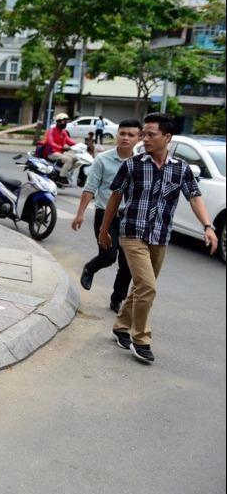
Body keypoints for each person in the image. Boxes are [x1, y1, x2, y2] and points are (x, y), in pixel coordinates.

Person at [99, 113, 218, 364]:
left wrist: (208, 226)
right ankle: (141, 339)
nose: (145, 138)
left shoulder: (181, 169)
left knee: (141, 288)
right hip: (131, 232)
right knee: (148, 287)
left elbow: (195, 197)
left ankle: (121, 326)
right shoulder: (132, 165)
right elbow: (115, 197)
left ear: (167, 137)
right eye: (144, 134)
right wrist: (104, 229)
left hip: (161, 236)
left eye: (151, 134)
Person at [72, 119, 142, 314]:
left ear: (138, 138)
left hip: (130, 218)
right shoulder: (103, 160)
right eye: (123, 133)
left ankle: (117, 298)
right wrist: (79, 215)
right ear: (117, 135)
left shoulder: (140, 163)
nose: (126, 138)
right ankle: (90, 268)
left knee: (127, 263)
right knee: (109, 256)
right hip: (105, 216)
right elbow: (89, 189)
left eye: (131, 135)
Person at [43, 112, 77, 182]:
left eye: (66, 122)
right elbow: (51, 143)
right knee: (68, 160)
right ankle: (61, 177)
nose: (65, 123)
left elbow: (69, 140)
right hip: (51, 152)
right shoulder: (51, 131)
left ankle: (66, 172)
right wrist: (62, 147)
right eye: (64, 121)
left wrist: (78, 145)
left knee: (76, 158)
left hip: (60, 152)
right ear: (58, 122)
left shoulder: (63, 132)